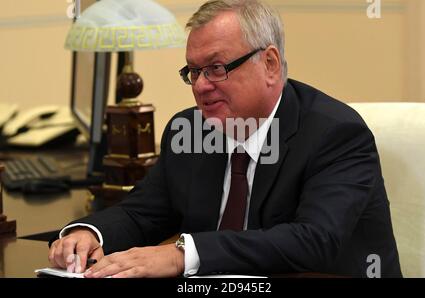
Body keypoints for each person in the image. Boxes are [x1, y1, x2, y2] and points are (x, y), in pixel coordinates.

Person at [49, 0, 402, 278]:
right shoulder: (190, 130)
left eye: (217, 68)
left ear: (270, 64)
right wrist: (90, 232)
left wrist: (181, 255)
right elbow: (143, 214)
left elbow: (314, 241)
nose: (201, 86)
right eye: (193, 71)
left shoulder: (335, 134)